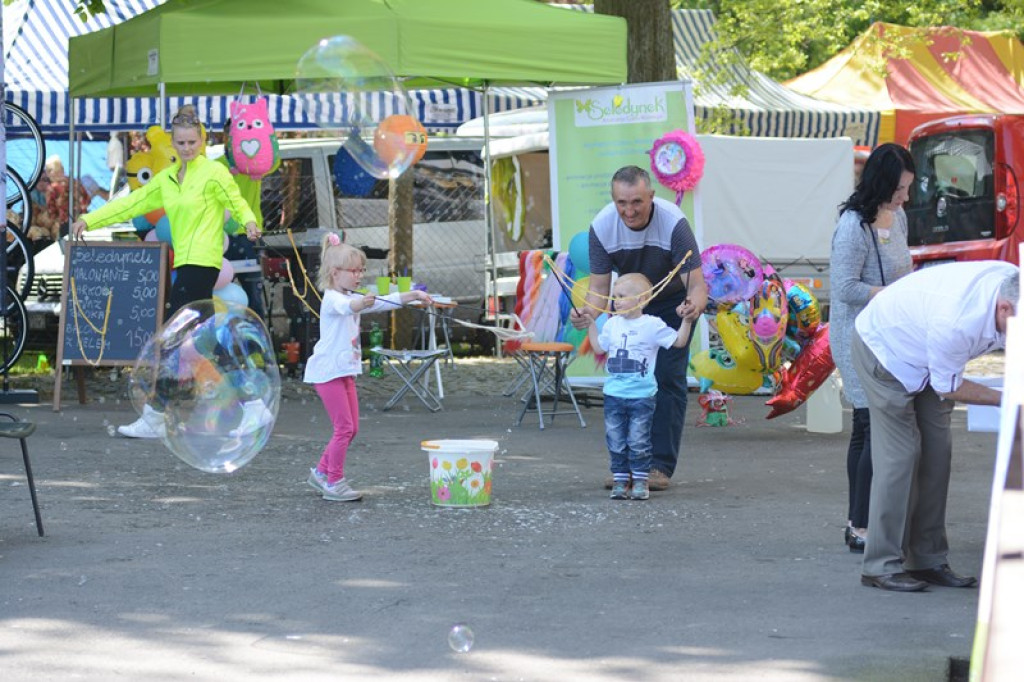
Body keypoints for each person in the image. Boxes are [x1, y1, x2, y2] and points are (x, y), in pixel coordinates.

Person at [72, 105, 261, 438]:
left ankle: (159, 414)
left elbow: (236, 200)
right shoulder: (169, 179)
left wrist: (249, 222)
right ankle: (242, 404)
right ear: (173, 144)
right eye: (182, 143)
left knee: (177, 339)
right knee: (196, 339)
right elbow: (131, 203)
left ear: (202, 139)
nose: (188, 148)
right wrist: (90, 219)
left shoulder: (213, 173)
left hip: (202, 264)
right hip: (185, 264)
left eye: (193, 142)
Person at [853, 261, 1018, 592]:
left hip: (926, 348)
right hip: (884, 349)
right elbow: (948, 386)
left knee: (937, 452)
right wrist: (1010, 399)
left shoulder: (1012, 283)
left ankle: (928, 559)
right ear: (1004, 308)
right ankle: (881, 564)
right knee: (901, 457)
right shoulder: (957, 322)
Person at [569, 165, 707, 491]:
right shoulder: (602, 227)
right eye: (621, 203)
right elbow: (600, 288)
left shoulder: (674, 223)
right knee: (629, 382)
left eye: (636, 202)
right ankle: (628, 468)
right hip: (629, 305)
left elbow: (698, 286)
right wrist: (587, 314)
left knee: (665, 379)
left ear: (651, 197)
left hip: (672, 304)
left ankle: (659, 466)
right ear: (613, 200)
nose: (629, 211)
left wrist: (693, 307)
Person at [829, 143, 915, 553]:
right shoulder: (852, 225)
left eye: (908, 189)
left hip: (891, 333)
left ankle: (866, 520)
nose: (905, 198)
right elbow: (845, 290)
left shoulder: (897, 218)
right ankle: (858, 525)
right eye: (900, 189)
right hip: (856, 334)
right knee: (866, 425)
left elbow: (906, 266)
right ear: (881, 183)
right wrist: (894, 294)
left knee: (875, 428)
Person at [304, 234, 432, 502]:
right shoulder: (333, 299)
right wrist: (361, 302)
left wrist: (414, 295)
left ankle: (321, 472)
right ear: (335, 273)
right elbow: (348, 306)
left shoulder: (349, 293)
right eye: (354, 271)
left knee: (351, 429)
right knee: (344, 429)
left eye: (361, 270)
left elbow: (383, 302)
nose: (359, 275)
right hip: (328, 373)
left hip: (343, 372)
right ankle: (334, 482)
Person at [584, 273, 693, 501]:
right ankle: (621, 480)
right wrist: (591, 324)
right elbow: (598, 347)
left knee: (638, 440)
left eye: (622, 296)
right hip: (613, 395)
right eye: (614, 296)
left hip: (642, 396)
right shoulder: (612, 324)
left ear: (642, 299)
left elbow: (679, 342)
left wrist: (687, 321)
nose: (616, 301)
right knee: (615, 439)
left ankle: (641, 480)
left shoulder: (652, 325)